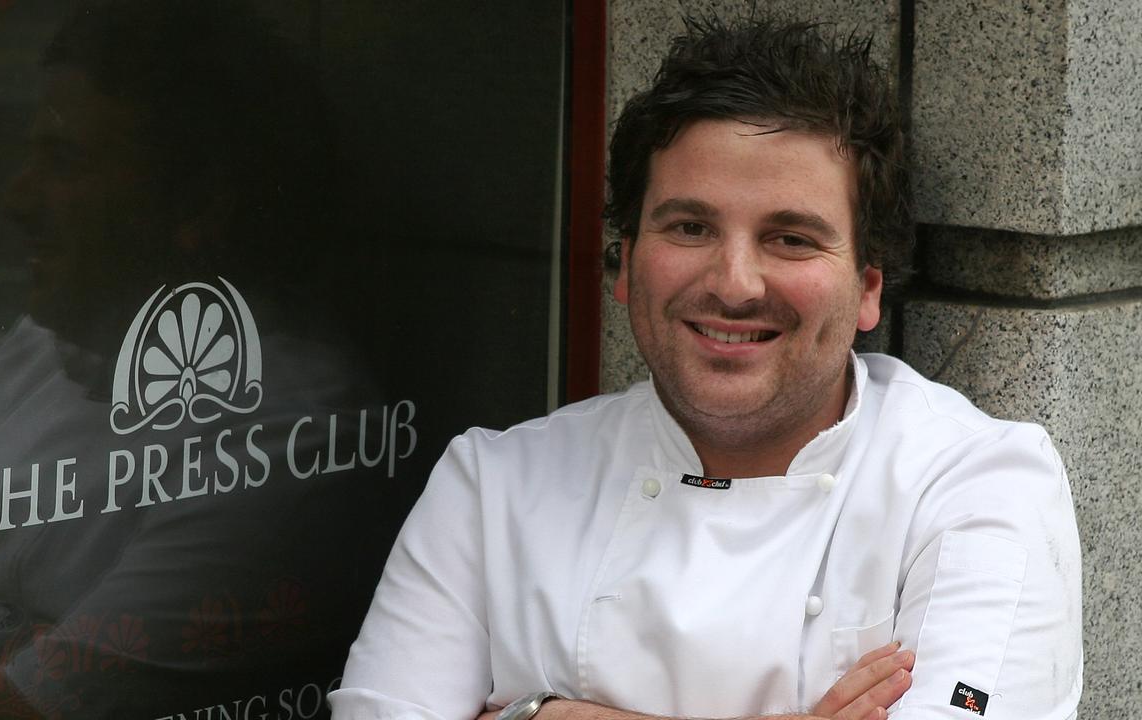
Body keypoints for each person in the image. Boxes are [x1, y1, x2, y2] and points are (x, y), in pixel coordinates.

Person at [330, 14, 1082, 720]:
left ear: (868, 288)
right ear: (624, 263)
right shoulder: (493, 488)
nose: (733, 283)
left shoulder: (977, 483)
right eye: (690, 227)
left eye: (790, 238)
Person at [0, 1, 406, 716]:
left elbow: (1, 714)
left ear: (199, 205)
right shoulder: (42, 347)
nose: (15, 198)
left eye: (65, 161)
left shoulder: (290, 435)